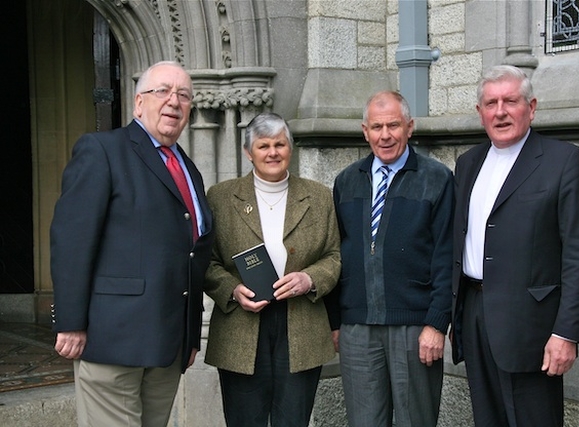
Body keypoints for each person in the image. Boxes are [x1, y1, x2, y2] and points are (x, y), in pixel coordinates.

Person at [50, 61, 215, 426]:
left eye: (184, 95)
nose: (174, 101)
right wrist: (70, 321)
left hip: (167, 345)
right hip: (113, 338)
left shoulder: (189, 169)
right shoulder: (102, 150)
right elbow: (72, 239)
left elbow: (192, 253)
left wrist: (190, 335)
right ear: (138, 103)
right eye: (163, 92)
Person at [450, 65, 579, 426]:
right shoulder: (468, 163)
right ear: (480, 112)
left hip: (532, 326)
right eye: (491, 103)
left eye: (510, 101)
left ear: (531, 107)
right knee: (488, 418)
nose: (500, 111)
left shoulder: (565, 161)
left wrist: (566, 332)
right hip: (474, 314)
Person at [203, 112, 341, 427]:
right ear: (248, 152)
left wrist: (310, 279)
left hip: (301, 324)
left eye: (280, 144)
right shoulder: (221, 198)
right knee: (244, 420)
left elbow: (334, 256)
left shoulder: (319, 197)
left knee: (293, 419)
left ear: (290, 149)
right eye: (263, 146)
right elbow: (206, 262)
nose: (273, 153)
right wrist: (232, 290)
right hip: (241, 324)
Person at [328, 91, 454, 426]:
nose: (385, 135)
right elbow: (336, 251)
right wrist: (336, 321)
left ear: (410, 127)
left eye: (393, 125)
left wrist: (437, 323)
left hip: (414, 328)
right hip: (358, 328)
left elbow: (447, 255)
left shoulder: (436, 178)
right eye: (377, 126)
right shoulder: (346, 181)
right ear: (364, 130)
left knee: (416, 421)